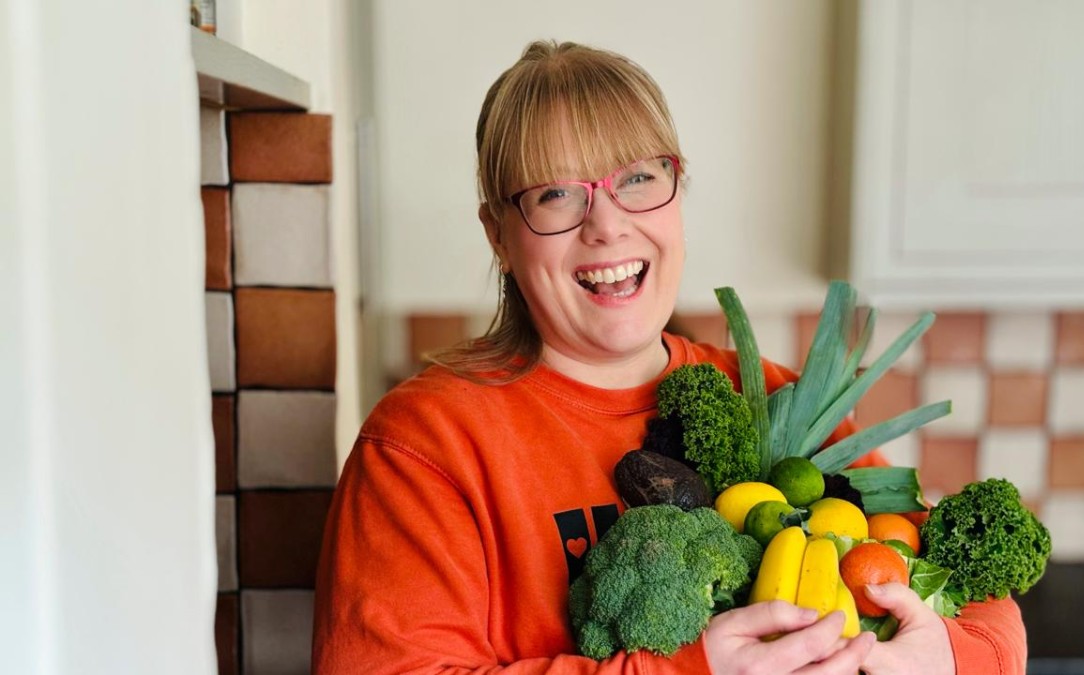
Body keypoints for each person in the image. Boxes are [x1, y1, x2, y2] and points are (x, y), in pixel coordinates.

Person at [312, 40, 1026, 674]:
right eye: (556, 194)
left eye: (637, 178)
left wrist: (953, 656)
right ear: (499, 234)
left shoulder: (779, 401)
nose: (607, 225)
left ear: (677, 190)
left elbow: (972, 589)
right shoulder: (427, 445)